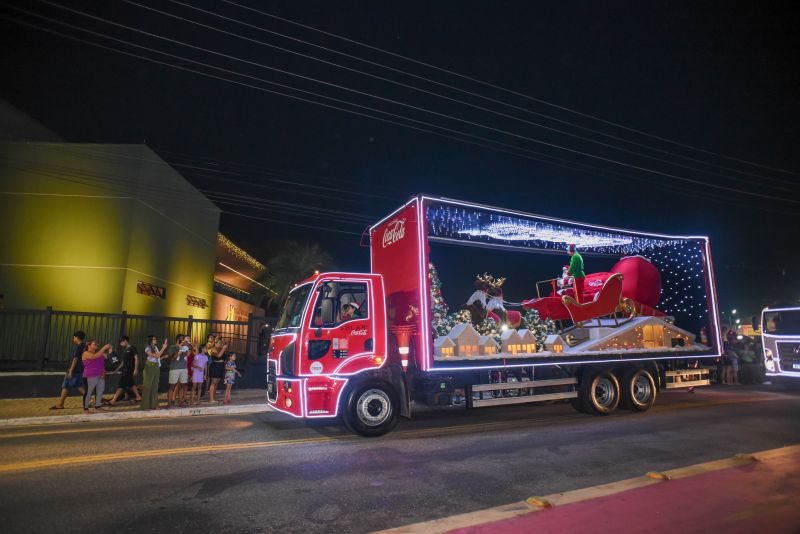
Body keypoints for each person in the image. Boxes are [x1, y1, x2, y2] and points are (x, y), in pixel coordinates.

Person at [51, 330, 87, 410]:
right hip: (80, 369)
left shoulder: (78, 347)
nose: (73, 339)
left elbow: (75, 359)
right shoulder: (84, 346)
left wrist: (71, 370)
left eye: (74, 337)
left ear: (77, 337)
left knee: (69, 385)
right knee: (70, 386)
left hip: (74, 370)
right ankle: (60, 404)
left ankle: (89, 399)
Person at [109, 336, 140, 406]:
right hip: (125, 369)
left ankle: (113, 400)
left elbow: (136, 358)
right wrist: (116, 370)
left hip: (128, 370)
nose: (120, 344)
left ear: (125, 341)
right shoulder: (125, 350)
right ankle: (138, 397)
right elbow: (123, 362)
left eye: (121, 342)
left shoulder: (132, 348)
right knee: (131, 384)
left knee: (121, 385)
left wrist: (136, 369)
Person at [82, 340, 111, 413]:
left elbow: (108, 357)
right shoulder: (86, 353)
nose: (96, 345)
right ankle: (86, 409)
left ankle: (97, 406)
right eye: (94, 344)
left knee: (100, 391)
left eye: (96, 344)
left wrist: (110, 349)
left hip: (100, 375)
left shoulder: (99, 353)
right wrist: (104, 348)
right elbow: (94, 357)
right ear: (89, 345)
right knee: (89, 392)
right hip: (90, 375)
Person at [141, 335, 168, 410]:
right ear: (150, 340)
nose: (155, 340)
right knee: (147, 386)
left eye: (155, 339)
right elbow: (156, 356)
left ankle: (154, 405)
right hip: (150, 366)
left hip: (156, 366)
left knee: (155, 387)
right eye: (154, 339)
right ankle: (145, 406)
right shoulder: (147, 348)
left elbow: (158, 357)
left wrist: (163, 354)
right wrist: (164, 347)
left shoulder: (155, 347)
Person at [168, 334, 190, 408]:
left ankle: (181, 402)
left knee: (182, 385)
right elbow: (171, 358)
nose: (183, 340)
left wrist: (187, 350)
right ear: (178, 339)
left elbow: (188, 355)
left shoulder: (185, 347)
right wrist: (179, 351)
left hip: (184, 368)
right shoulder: (172, 347)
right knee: (172, 386)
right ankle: (169, 403)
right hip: (174, 368)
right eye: (182, 339)